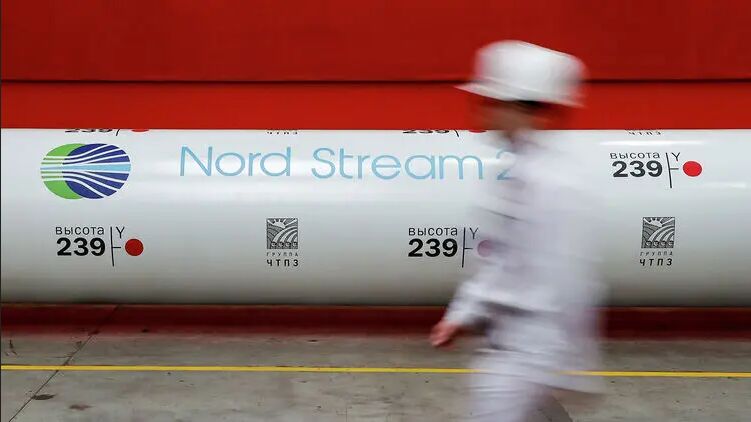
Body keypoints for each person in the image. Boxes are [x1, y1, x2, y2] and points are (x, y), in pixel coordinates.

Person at [430, 41, 604, 421]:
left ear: (521, 107)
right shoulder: (518, 170)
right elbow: (501, 257)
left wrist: (576, 364)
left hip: (529, 350)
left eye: (492, 101)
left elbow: (569, 276)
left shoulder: (554, 182)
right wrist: (463, 313)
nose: (483, 109)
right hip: (508, 345)